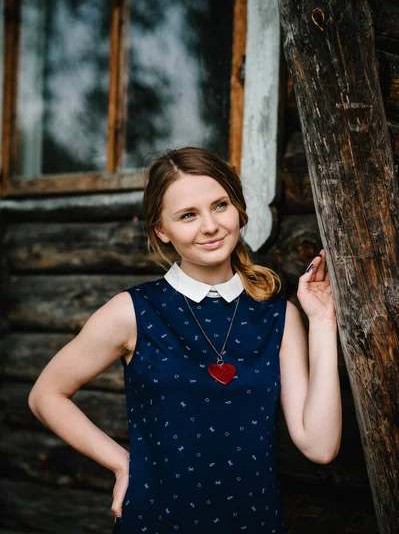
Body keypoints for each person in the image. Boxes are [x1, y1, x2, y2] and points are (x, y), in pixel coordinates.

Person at [28, 146, 342, 533]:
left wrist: (323, 320)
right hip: (156, 521)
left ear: (239, 209)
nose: (210, 226)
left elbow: (320, 446)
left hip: (252, 523)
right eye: (188, 215)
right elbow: (45, 395)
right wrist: (122, 463)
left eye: (220, 205)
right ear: (162, 229)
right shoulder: (134, 311)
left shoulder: (278, 316)